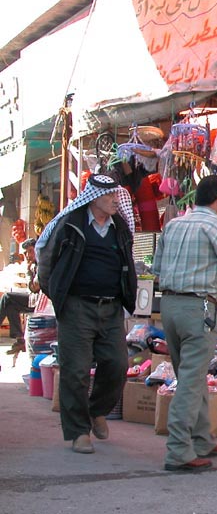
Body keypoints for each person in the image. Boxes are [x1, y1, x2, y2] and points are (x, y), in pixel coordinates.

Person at [153, 174, 217, 472]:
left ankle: (202, 437)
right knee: (192, 380)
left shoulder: (173, 224)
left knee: (191, 376)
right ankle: (179, 450)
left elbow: (156, 268)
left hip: (169, 306)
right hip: (199, 309)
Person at [36, 174, 137, 454]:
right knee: (76, 371)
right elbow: (47, 261)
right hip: (77, 306)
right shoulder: (71, 225)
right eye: (111, 197)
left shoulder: (120, 228)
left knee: (117, 364)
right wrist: (57, 295)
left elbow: (127, 264)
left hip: (112, 308)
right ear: (94, 198)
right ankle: (78, 431)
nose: (117, 200)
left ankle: (97, 411)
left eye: (118, 196)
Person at [2, 238, 39, 355]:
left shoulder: (42, 264)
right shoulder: (33, 265)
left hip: (41, 303)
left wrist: (28, 272)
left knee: (7, 297)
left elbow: (34, 288)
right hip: (33, 300)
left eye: (30, 251)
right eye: (26, 253)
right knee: (10, 306)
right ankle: (19, 339)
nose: (28, 255)